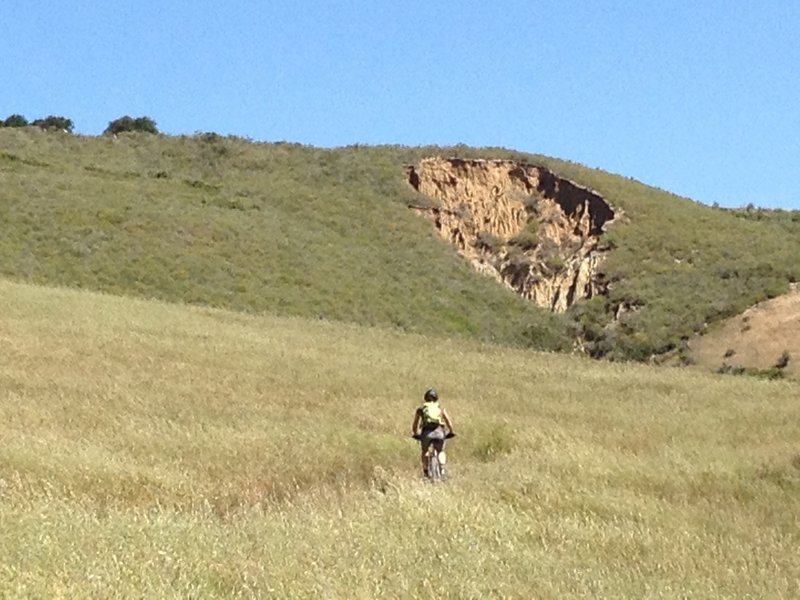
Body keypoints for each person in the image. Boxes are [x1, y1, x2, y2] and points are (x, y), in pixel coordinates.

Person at [411, 388, 455, 478]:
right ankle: (442, 469)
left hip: (426, 434)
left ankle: (426, 472)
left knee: (425, 451)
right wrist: (451, 431)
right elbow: (449, 422)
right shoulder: (440, 408)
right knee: (440, 451)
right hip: (439, 433)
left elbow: (415, 424)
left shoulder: (421, 409)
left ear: (425, 398)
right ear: (436, 398)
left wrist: (415, 433)